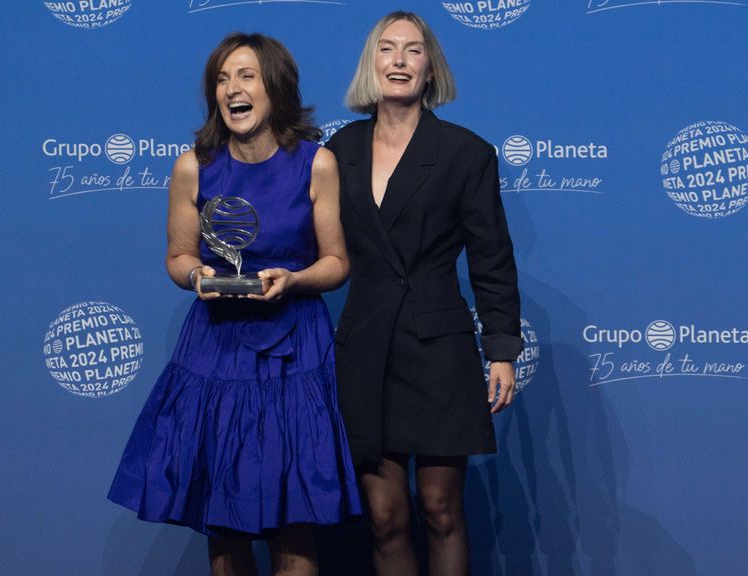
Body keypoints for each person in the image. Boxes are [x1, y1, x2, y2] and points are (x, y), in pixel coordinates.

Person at [108, 32, 361, 576]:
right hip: (216, 352)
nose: (232, 90)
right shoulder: (192, 167)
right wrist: (198, 275)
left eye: (245, 76)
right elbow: (177, 256)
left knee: (295, 518)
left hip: (295, 351)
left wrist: (291, 280)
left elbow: (337, 262)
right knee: (224, 522)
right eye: (222, 80)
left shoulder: (317, 163)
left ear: (274, 87)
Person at [325, 11, 522, 576]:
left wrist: (502, 347)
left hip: (438, 349)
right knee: (384, 517)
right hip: (365, 347)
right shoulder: (338, 151)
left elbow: (493, 259)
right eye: (388, 49)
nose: (399, 61)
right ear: (372, 63)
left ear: (430, 68)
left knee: (439, 510)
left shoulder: (466, 153)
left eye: (413, 51)